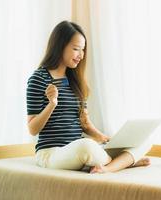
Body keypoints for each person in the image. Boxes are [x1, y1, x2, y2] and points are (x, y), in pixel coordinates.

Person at [26, 21, 152, 173]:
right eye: (76, 49)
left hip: (77, 149)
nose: (81, 55)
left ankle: (108, 166)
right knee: (86, 146)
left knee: (144, 141)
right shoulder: (39, 78)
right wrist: (51, 104)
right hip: (51, 153)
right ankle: (123, 163)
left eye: (83, 50)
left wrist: (106, 139)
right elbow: (32, 129)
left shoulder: (75, 80)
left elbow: (84, 123)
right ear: (60, 46)